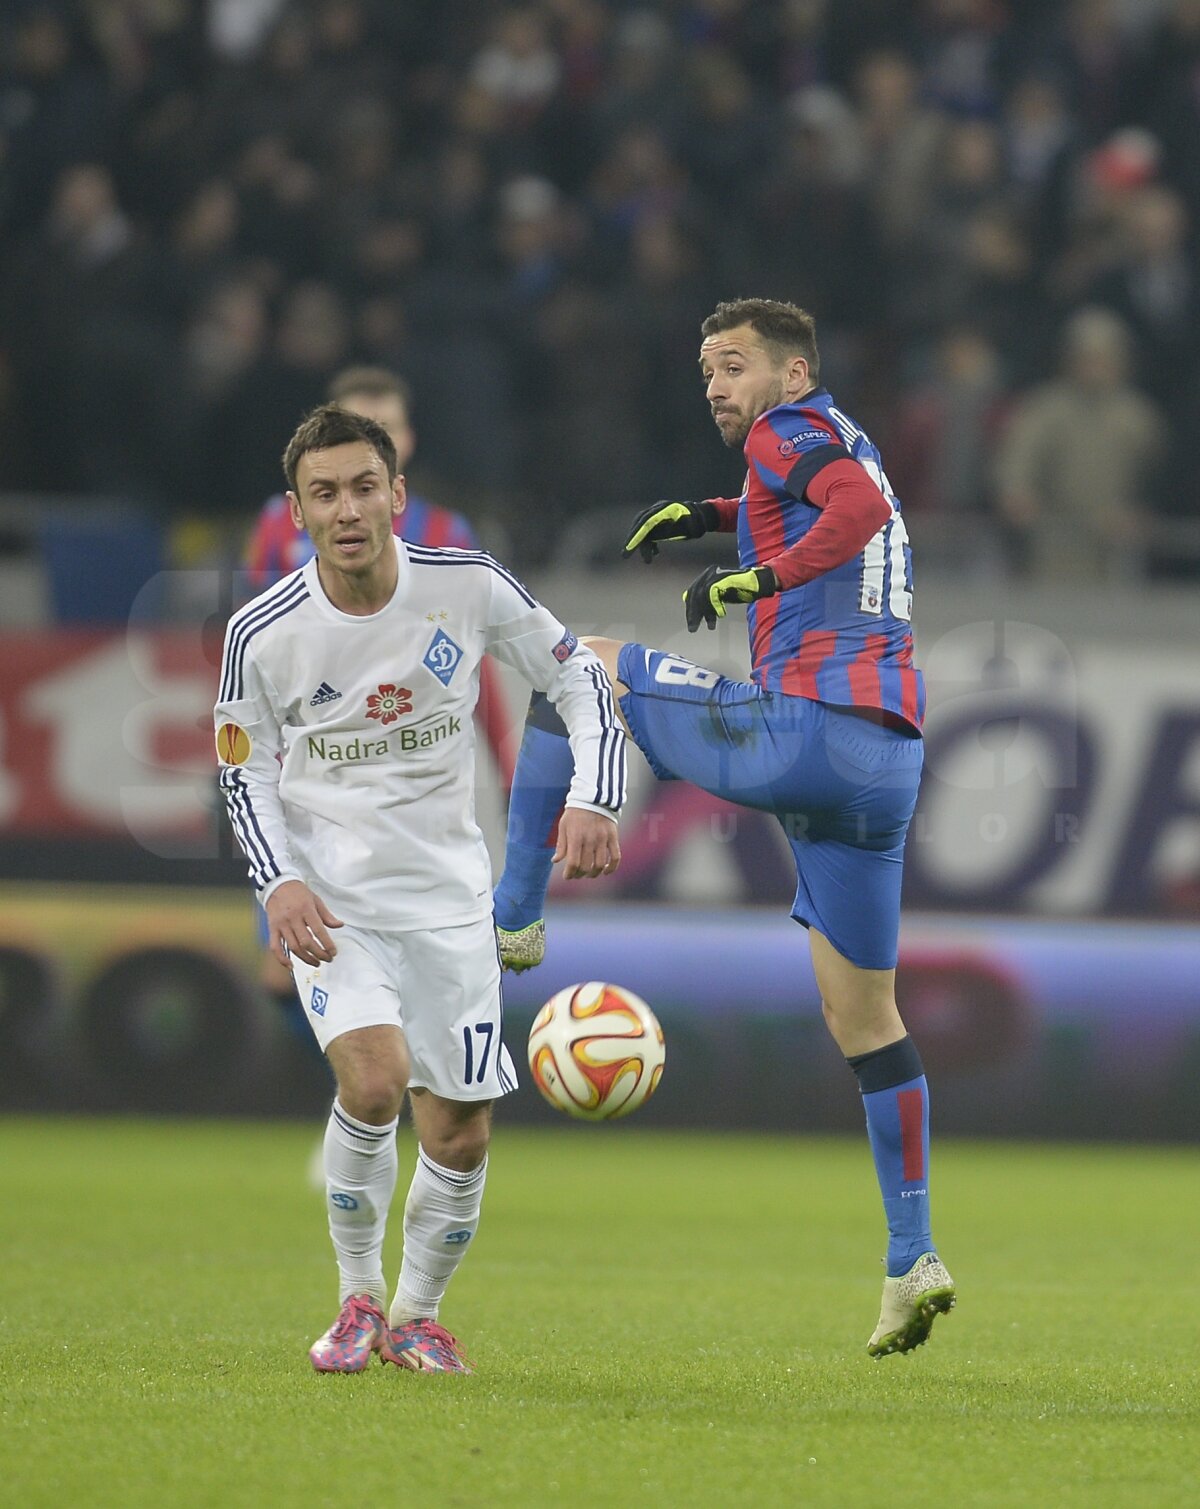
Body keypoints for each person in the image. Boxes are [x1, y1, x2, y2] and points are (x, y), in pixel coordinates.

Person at [493, 297, 955, 1359]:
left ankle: (512, 916)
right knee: (867, 1023)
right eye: (707, 367)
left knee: (576, 661)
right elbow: (817, 502)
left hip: (813, 728)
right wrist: (710, 517)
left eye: (735, 364)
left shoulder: (790, 435)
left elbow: (849, 516)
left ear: (792, 375)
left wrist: (760, 573)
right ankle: (910, 1255)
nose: (716, 383)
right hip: (883, 766)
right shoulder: (824, 439)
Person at [215, 404, 624, 1373]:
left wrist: (596, 796)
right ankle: (355, 1302)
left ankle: (416, 1317)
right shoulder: (262, 632)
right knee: (372, 1078)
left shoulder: (467, 587)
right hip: (333, 905)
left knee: (461, 1134)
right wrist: (278, 887)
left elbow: (579, 679)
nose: (347, 508)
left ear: (399, 496)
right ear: (297, 511)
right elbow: (242, 769)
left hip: (448, 902)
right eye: (325, 493)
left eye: (364, 487)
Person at [244, 366, 516, 1067]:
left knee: (397, 973)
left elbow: (475, 664)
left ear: (404, 445)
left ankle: (373, 1095)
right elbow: (249, 651)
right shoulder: (278, 528)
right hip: (303, 781)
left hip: (408, 787)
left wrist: (510, 767)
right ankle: (352, 1094)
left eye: (387, 428)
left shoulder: (447, 535)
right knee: (282, 966)